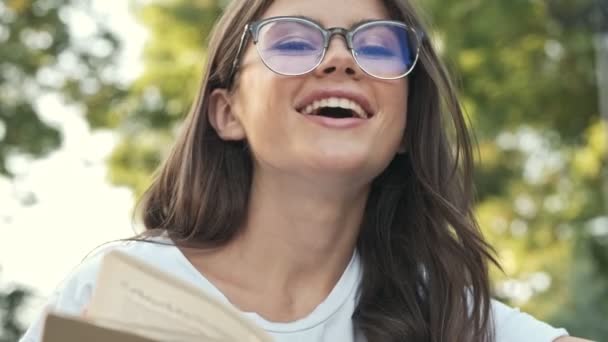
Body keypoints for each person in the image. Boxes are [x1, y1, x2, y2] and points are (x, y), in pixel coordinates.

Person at [19, 0, 592, 341]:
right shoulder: (116, 289)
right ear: (227, 111)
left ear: (404, 125)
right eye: (293, 41)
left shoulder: (445, 315)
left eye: (378, 45)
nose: (341, 58)